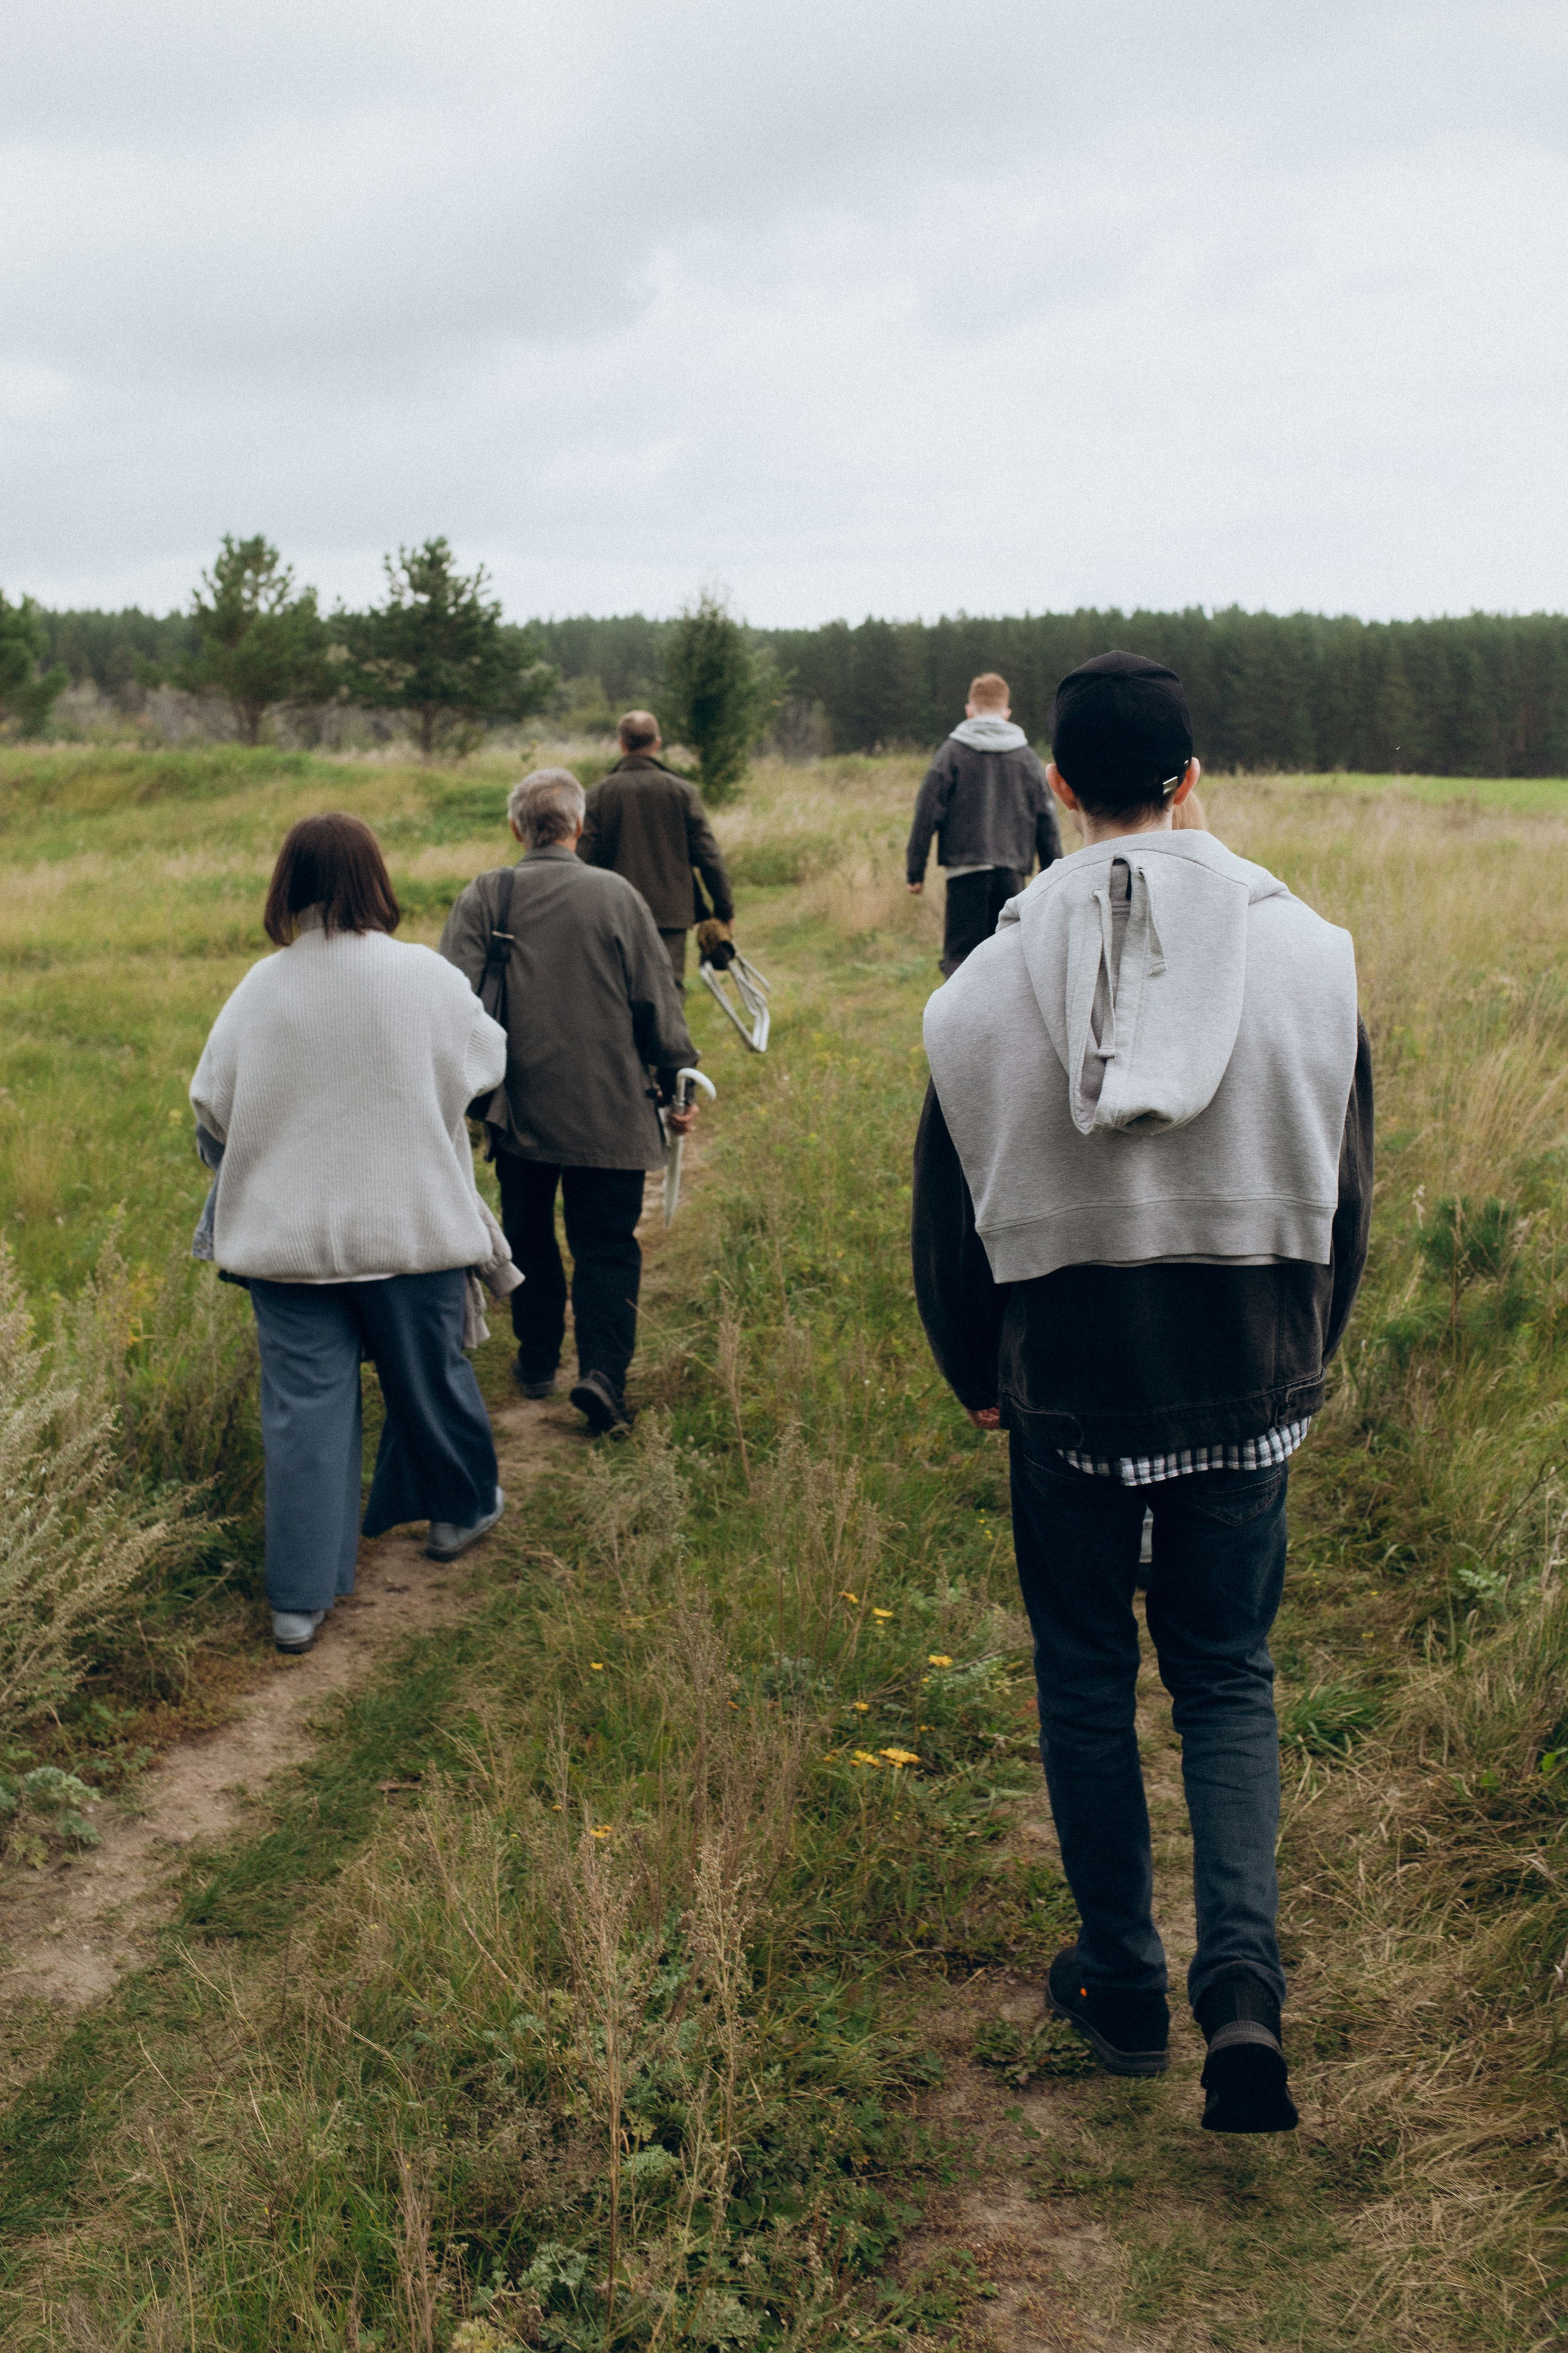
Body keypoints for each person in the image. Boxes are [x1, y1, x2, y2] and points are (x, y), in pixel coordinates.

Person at [913, 650, 1372, 2134]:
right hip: (1246, 1353)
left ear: (1055, 789)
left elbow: (945, 1208)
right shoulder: (1311, 949)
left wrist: (973, 1369)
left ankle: (1118, 1979)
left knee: (1083, 1673)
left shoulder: (982, 976)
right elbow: (1343, 1181)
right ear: (1193, 776)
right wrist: (1312, 1340)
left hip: (1067, 1370)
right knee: (1226, 1673)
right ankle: (1239, 1985)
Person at [190, 814, 514, 1656]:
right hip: (408, 1227)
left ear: (286, 883)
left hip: (287, 1243)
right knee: (430, 1379)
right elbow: (489, 1062)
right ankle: (459, 1512)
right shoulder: (426, 975)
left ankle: (299, 1602)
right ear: (375, 878)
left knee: (303, 1416)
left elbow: (212, 1107)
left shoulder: (260, 986)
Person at [440, 768, 701, 1437]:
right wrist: (678, 1077)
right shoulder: (618, 897)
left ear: (515, 828)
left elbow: (451, 1006)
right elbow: (656, 1003)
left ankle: (535, 1360)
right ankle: (603, 1376)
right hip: (611, 1107)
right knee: (607, 1245)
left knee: (526, 1235)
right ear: (580, 828)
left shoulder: (483, 896)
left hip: (518, 1109)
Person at [906, 671, 1063, 973]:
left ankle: (959, 1022)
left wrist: (916, 870)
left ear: (969, 711)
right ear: (1006, 714)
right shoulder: (1027, 758)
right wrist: (1053, 875)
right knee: (1009, 961)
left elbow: (926, 812)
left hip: (964, 872)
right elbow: (1046, 819)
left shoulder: (951, 753)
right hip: (1011, 872)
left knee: (961, 963)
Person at [578, 710, 735, 986]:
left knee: (618, 992)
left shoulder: (597, 796)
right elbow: (709, 857)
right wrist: (724, 911)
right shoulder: (683, 793)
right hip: (670, 916)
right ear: (657, 744)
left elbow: (580, 860)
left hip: (613, 913)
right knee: (668, 992)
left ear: (622, 745)